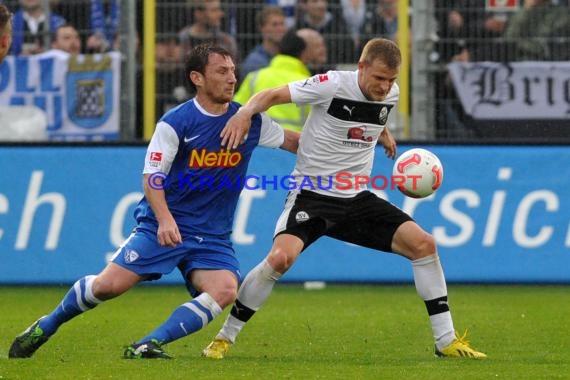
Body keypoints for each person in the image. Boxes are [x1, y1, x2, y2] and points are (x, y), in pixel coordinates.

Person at [8, 43, 299, 360]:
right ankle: (46, 325)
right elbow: (153, 176)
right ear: (197, 78)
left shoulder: (248, 122)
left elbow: (293, 141)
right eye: (221, 71)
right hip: (163, 225)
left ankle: (147, 344)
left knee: (226, 289)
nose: (231, 78)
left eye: (232, 70)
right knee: (108, 287)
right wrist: (164, 219)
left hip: (211, 235)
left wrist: (343, 144)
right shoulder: (177, 122)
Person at [202, 38, 487, 360]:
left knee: (424, 245)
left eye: (391, 80)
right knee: (280, 259)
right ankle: (224, 338)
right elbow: (271, 95)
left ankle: (446, 340)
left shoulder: (389, 94)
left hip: (356, 199)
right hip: (311, 195)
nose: (385, 87)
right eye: (378, 78)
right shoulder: (331, 84)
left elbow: (373, 115)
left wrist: (384, 132)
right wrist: (245, 114)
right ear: (361, 67)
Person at [235, 28, 327, 132]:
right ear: (304, 53)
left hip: (259, 142)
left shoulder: (255, 77)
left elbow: (235, 108)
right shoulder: (309, 84)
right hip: (294, 144)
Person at [239, 6, 287, 81]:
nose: (280, 28)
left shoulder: (288, 57)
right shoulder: (254, 62)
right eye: (275, 24)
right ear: (262, 28)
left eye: (282, 24)